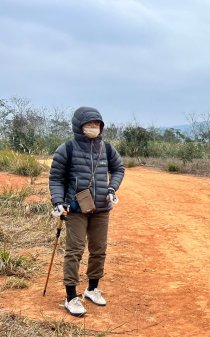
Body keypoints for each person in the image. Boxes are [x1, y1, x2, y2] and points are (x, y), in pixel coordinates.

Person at [48, 107, 125, 317]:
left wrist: (112, 188)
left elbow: (119, 169)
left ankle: (91, 289)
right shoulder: (67, 149)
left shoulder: (107, 148)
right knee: (75, 250)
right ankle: (71, 296)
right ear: (78, 126)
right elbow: (55, 178)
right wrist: (58, 201)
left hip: (101, 208)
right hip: (75, 209)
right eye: (89, 124)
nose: (94, 128)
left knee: (99, 249)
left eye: (97, 124)